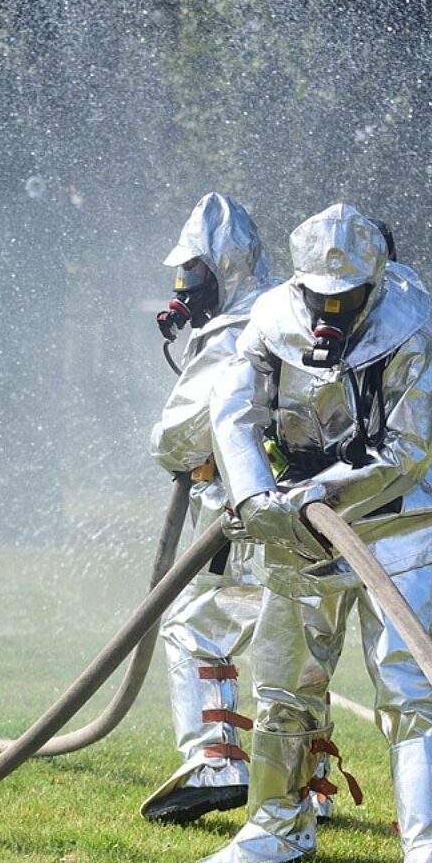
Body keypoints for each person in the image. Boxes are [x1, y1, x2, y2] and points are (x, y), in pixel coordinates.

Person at [202, 202, 432, 863]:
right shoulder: (269, 325)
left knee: (412, 685)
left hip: (394, 524)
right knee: (285, 683)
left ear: (374, 286)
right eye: (320, 297)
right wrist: (257, 496)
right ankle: (274, 826)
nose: (331, 311)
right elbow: (234, 412)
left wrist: (312, 496)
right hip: (295, 527)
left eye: (345, 297)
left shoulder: (412, 338)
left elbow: (408, 451)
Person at [139, 192, 277, 825]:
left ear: (226, 267)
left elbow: (177, 438)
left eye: (194, 270)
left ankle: (215, 764)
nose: (185, 286)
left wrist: (170, 441)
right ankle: (306, 786)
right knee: (292, 646)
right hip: (307, 517)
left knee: (193, 629)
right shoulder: (286, 316)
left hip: (241, 522)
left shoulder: (229, 336)